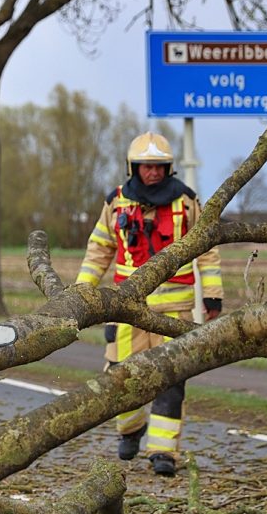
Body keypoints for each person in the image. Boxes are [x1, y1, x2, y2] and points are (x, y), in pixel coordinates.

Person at [76, 131, 223, 477]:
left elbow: (208, 252)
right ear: (134, 167)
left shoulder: (187, 202)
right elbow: (98, 251)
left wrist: (213, 296)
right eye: (147, 167)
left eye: (159, 167)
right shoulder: (116, 203)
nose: (153, 173)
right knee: (119, 378)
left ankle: (163, 453)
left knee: (172, 381)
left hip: (175, 313)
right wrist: (81, 294)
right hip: (126, 312)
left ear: (168, 168)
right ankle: (130, 430)